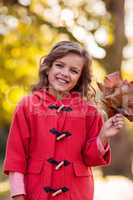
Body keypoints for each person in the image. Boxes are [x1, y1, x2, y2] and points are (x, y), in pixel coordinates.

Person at [3, 41, 124, 200]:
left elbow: (91, 159)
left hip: (77, 194)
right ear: (48, 67)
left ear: (81, 77)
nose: (65, 73)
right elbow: (16, 157)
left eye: (74, 70)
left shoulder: (90, 112)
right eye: (59, 65)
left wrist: (104, 135)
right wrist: (18, 195)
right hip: (36, 192)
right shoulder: (27, 106)